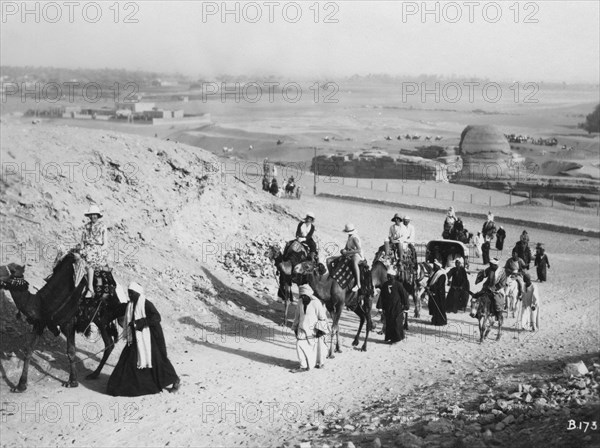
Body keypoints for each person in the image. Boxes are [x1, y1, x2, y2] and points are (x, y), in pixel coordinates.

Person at [107, 282, 180, 396]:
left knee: (157, 360)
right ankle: (122, 386)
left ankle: (175, 380)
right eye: (129, 293)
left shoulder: (146, 303)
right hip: (136, 337)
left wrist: (139, 323)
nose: (130, 296)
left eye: (131, 293)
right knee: (128, 359)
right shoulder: (130, 305)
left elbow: (156, 317)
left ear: (137, 293)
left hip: (150, 337)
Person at [290, 284, 329, 372]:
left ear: (309, 295)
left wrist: (320, 330)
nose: (303, 298)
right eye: (301, 296)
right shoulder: (300, 302)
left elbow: (322, 317)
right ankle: (303, 366)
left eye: (304, 296)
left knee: (317, 348)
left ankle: (317, 363)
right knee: (299, 345)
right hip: (302, 329)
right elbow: (297, 316)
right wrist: (295, 328)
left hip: (314, 330)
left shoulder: (316, 302)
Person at [78, 205, 108, 298]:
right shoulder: (86, 227)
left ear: (98, 216)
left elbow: (105, 244)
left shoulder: (103, 226)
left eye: (95, 214)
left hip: (98, 251)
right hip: (87, 249)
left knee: (90, 261)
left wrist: (98, 250)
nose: (93, 216)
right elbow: (82, 241)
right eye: (91, 215)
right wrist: (82, 250)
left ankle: (90, 288)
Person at [379, 266, 410, 343]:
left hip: (397, 307)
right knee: (390, 323)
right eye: (388, 275)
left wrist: (406, 305)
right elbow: (382, 296)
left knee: (396, 323)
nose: (389, 277)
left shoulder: (398, 284)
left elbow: (404, 295)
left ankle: (396, 339)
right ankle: (391, 338)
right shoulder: (385, 285)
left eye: (390, 275)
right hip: (388, 307)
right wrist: (380, 307)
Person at [341, 223, 363, 292]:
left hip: (357, 254)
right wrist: (343, 250)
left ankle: (358, 283)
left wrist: (347, 252)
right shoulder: (350, 237)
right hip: (350, 253)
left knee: (354, 263)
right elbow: (346, 247)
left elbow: (359, 250)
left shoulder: (354, 238)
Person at [427, 261, 447, 326]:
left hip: (439, 295)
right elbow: (430, 281)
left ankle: (440, 321)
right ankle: (434, 320)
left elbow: (439, 285)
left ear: (438, 266)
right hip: (434, 293)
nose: (434, 267)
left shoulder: (441, 274)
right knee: (434, 308)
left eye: (435, 265)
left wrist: (431, 288)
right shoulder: (435, 273)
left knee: (439, 308)